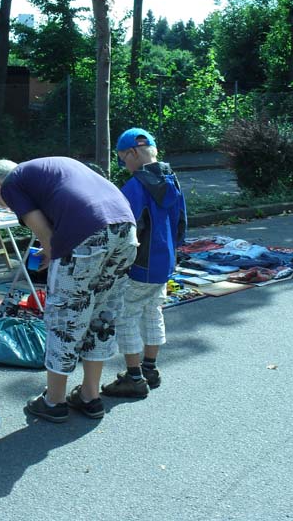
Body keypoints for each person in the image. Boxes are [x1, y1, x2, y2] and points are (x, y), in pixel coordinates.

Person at [0, 156, 137, 423]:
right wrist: (53, 250)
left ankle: (54, 401)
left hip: (87, 235)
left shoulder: (11, 184)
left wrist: (53, 251)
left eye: (2, 204)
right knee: (101, 316)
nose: (8, 207)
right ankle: (90, 396)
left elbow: (45, 233)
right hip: (125, 231)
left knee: (64, 317)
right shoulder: (51, 168)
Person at [101, 128, 187, 399]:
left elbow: (123, 230)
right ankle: (150, 368)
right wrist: (172, 252)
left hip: (139, 265)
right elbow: (181, 222)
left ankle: (134, 377)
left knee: (126, 316)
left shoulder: (135, 187)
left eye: (122, 159)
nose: (124, 166)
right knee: (153, 311)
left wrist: (111, 262)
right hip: (164, 262)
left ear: (133, 153)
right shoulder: (172, 179)